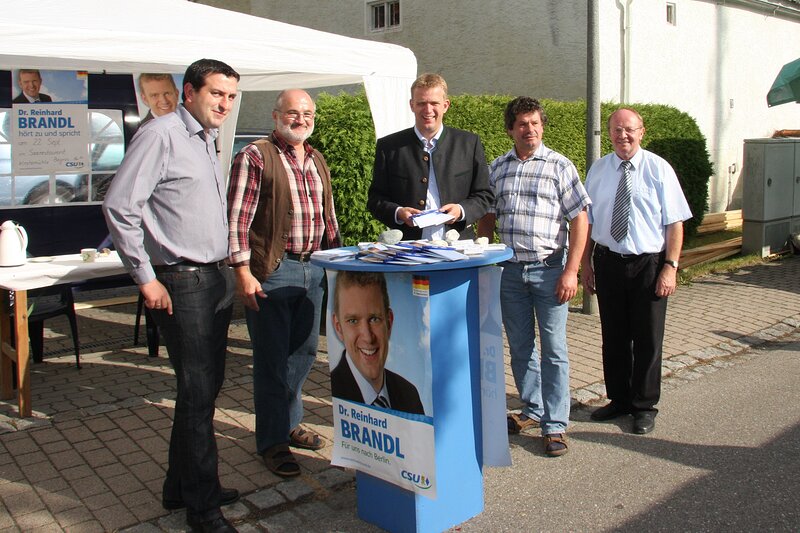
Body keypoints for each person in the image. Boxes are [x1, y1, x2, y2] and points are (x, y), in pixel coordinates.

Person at [103, 58, 240, 533]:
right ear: (189, 92)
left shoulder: (205, 139)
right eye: (216, 93)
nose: (224, 104)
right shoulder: (161, 134)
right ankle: (203, 510)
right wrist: (145, 277)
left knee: (201, 390)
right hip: (183, 282)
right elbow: (120, 206)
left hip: (214, 278)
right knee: (199, 394)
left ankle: (181, 487)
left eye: (231, 96)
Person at [227, 89, 340, 478]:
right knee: (272, 361)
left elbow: (328, 216)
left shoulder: (315, 158)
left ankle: (290, 423)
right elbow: (237, 219)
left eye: (307, 114)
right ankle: (272, 441)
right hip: (274, 271)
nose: (300, 119)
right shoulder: (255, 156)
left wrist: (337, 262)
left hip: (314, 270)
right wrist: (242, 271)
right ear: (276, 116)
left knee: (303, 354)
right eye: (292, 112)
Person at [477, 97, 590, 457]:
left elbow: (580, 220)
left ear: (542, 126)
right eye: (523, 124)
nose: (530, 130)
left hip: (550, 270)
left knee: (554, 350)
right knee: (521, 347)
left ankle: (555, 425)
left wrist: (571, 271)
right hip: (510, 272)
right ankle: (532, 408)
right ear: (510, 129)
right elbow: (487, 217)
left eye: (536, 123)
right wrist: (485, 256)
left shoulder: (560, 166)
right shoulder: (497, 168)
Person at [581, 107, 692, 435]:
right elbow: (588, 223)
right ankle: (619, 400)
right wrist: (586, 264)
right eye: (616, 130)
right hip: (608, 262)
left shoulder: (659, 169)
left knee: (647, 338)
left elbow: (674, 223)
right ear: (609, 134)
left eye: (629, 129)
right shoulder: (598, 170)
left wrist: (670, 267)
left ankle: (644, 406)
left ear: (642, 132)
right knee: (613, 337)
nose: (623, 136)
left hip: (648, 265)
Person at [368, 73, 493, 241]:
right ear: (412, 105)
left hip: (458, 246)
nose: (428, 110)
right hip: (408, 247)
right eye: (421, 103)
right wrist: (398, 212)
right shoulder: (389, 147)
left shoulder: (469, 143)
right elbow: (376, 199)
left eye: (434, 103)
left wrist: (461, 210)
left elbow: (484, 195)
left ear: (445, 105)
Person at [330, 271, 425, 415]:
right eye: (353, 321)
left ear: (389, 322)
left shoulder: (409, 394)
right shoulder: (338, 389)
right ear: (338, 327)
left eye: (374, 319)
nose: (368, 337)